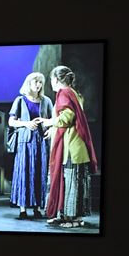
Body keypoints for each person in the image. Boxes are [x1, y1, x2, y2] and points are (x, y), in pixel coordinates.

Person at [41, 65, 99, 228]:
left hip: (70, 150)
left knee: (71, 183)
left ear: (57, 79)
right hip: (75, 147)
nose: (50, 82)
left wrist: (48, 122)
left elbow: (67, 117)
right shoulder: (74, 93)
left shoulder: (64, 93)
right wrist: (53, 130)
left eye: (51, 79)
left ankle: (73, 219)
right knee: (72, 183)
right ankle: (68, 217)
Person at [7, 71, 53, 219]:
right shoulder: (20, 100)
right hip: (24, 143)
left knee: (40, 173)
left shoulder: (47, 101)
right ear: (29, 83)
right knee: (24, 173)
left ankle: (37, 208)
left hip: (41, 143)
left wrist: (51, 130)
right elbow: (11, 122)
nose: (38, 85)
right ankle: (22, 210)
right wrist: (26, 124)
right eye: (36, 81)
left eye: (41, 82)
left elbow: (54, 120)